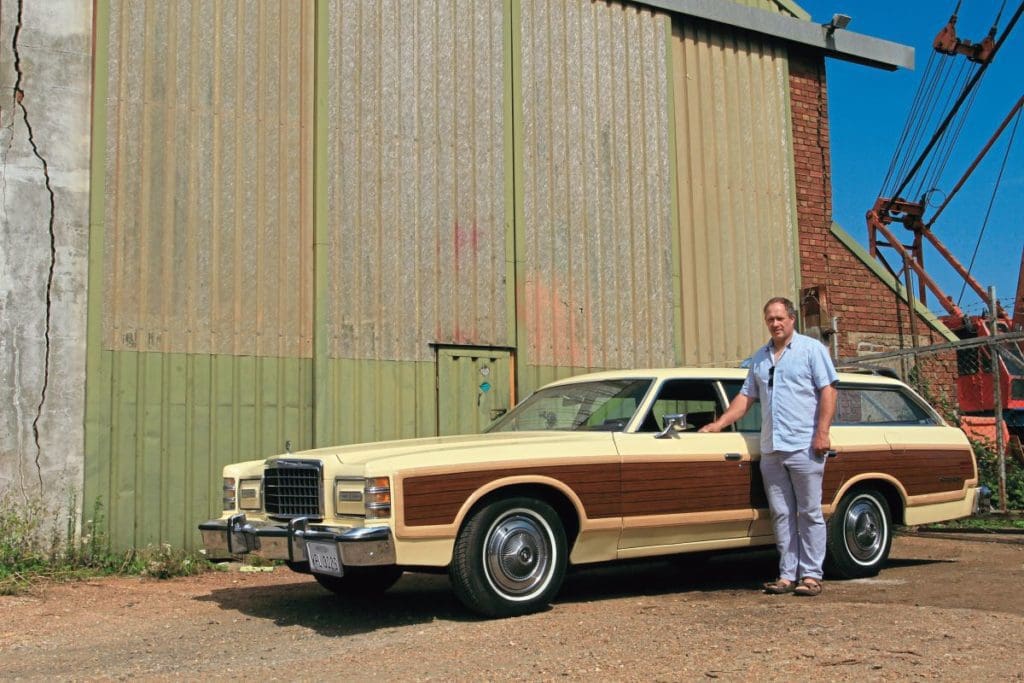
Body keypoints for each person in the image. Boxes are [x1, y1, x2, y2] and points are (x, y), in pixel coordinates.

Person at [699, 297, 837, 597]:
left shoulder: (812, 350)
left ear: (792, 319)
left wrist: (822, 433)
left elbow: (828, 390)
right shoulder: (760, 357)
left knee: (809, 511)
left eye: (779, 318)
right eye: (770, 319)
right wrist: (719, 424)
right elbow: (746, 397)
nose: (775, 324)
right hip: (772, 447)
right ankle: (787, 574)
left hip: (805, 444)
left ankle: (812, 574)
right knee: (781, 512)